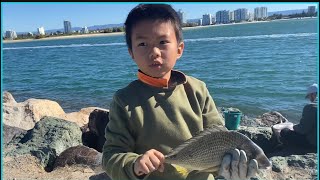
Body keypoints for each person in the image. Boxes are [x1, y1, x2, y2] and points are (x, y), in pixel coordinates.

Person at [102, 4, 259, 180]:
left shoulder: (198, 89)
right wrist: (135, 164)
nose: (154, 52)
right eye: (142, 44)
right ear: (131, 52)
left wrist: (230, 166)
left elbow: (219, 138)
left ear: (179, 49)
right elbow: (111, 156)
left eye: (162, 42)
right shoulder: (124, 100)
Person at [272, 83, 317, 151]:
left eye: (309, 97)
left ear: (313, 94)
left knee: (284, 131)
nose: (310, 99)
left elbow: (303, 130)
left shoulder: (311, 107)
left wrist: (293, 127)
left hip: (313, 144)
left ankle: (280, 146)